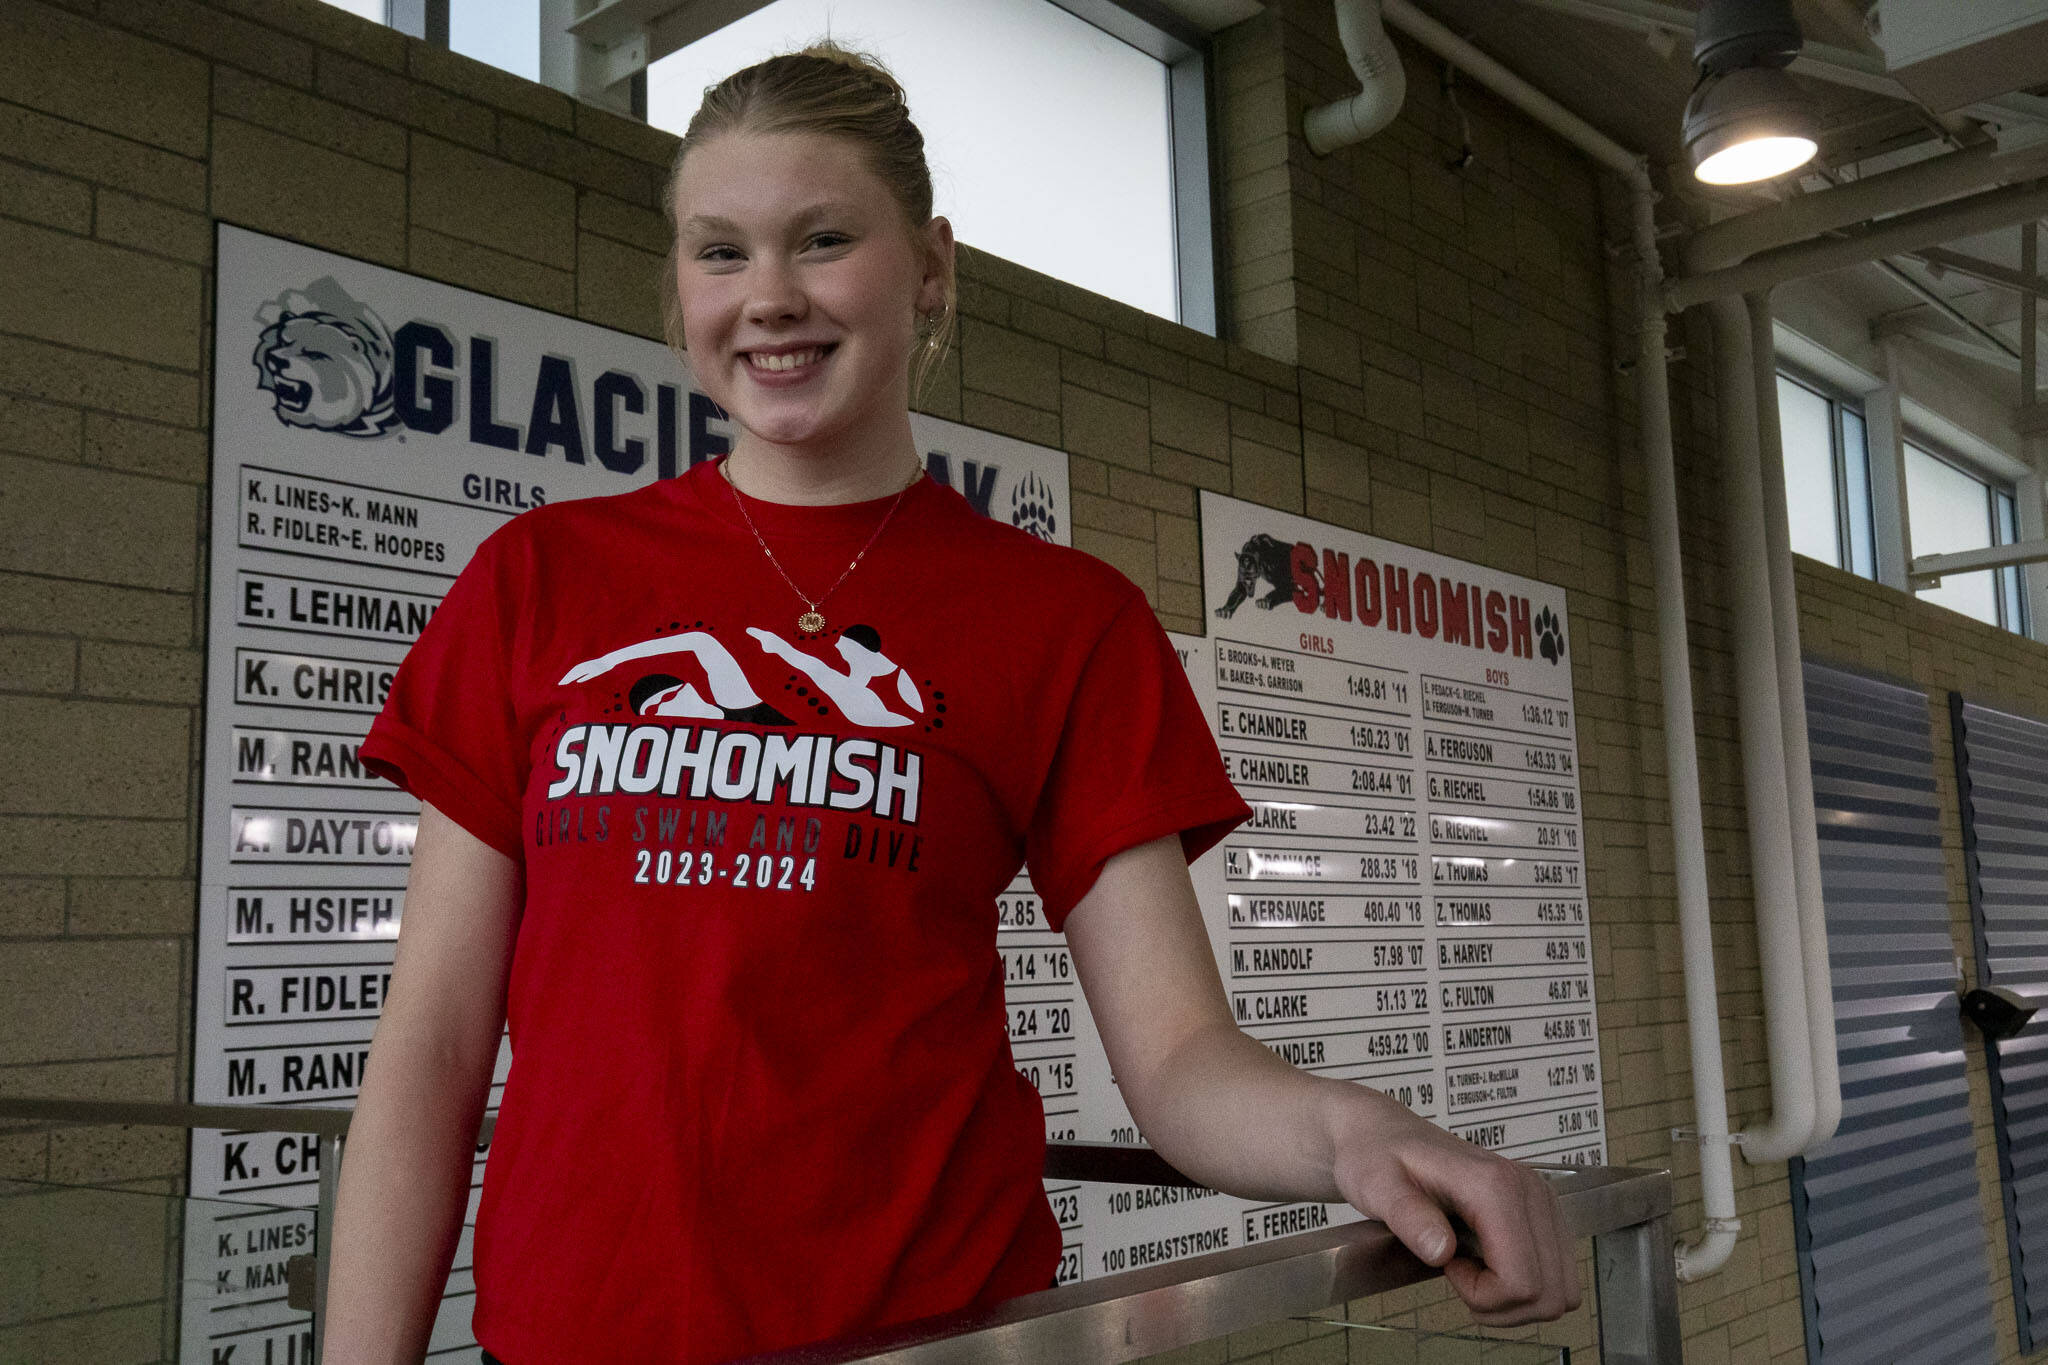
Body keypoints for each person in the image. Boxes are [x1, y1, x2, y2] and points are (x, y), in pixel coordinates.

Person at [321, 44, 1580, 1365]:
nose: (769, 298)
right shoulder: (539, 580)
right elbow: (433, 1045)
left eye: (822, 240)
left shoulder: (1060, 618)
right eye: (720, 252)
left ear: (930, 269)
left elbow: (1178, 1058)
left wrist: (1357, 1132)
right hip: (575, 1339)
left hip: (929, 1342)